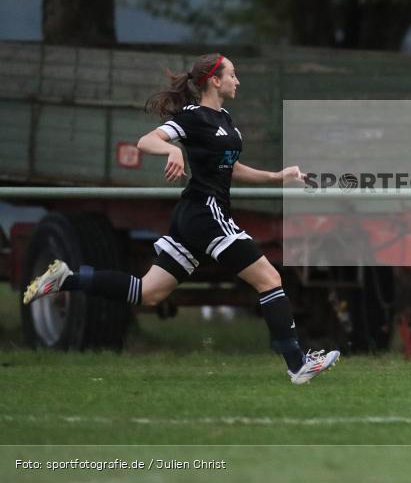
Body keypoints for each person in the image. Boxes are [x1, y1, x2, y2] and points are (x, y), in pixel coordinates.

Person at [24, 53, 339, 385]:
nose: (237, 80)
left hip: (194, 216)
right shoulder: (193, 117)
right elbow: (148, 141)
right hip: (206, 214)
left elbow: (231, 168)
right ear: (214, 81)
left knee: (148, 293)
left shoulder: (226, 120)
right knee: (269, 279)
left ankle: (65, 279)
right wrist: (173, 150)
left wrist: (277, 176)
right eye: (233, 74)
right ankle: (297, 363)